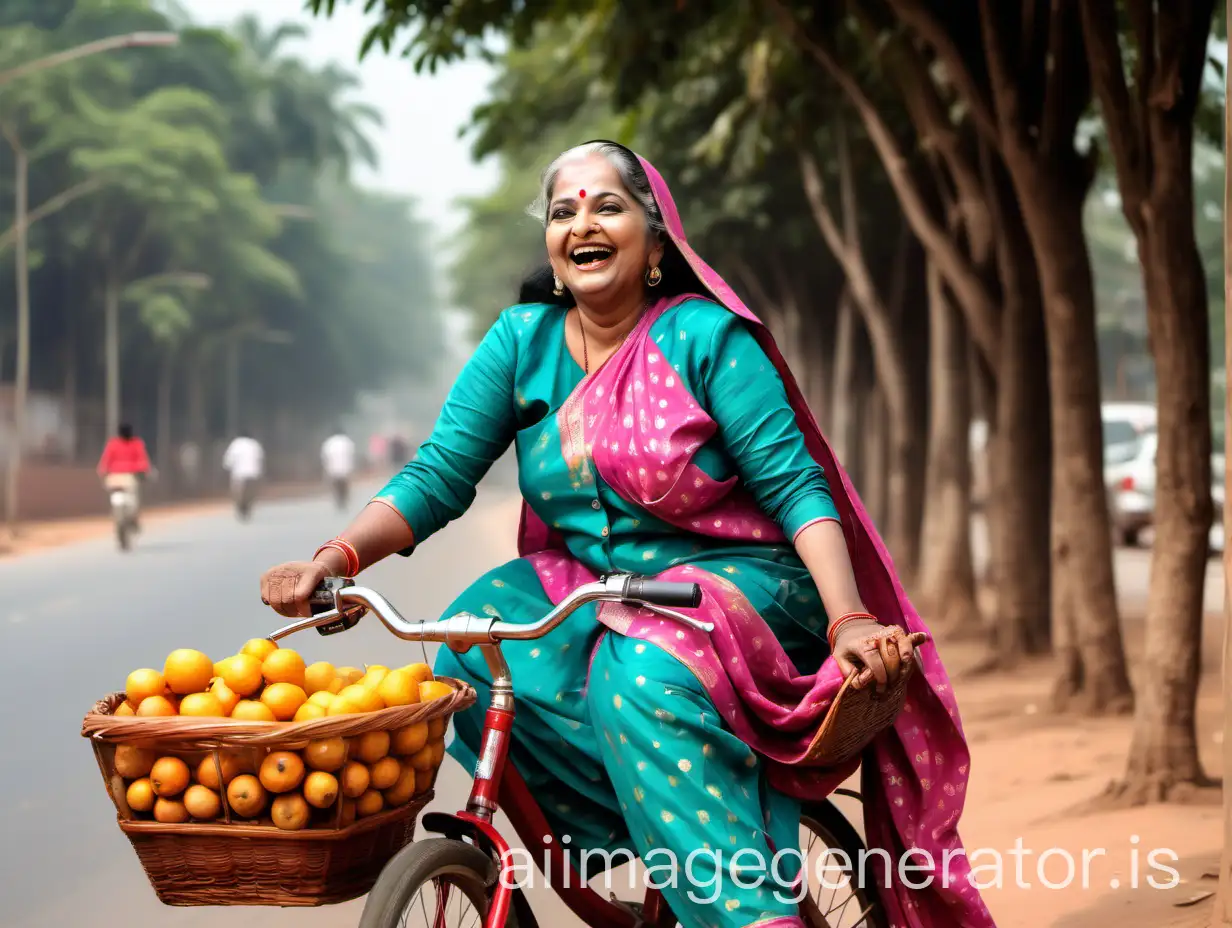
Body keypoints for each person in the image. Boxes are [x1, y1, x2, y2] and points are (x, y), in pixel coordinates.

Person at [261, 142, 994, 928]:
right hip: (591, 583)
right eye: (563, 211)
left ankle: (746, 909)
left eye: (607, 205)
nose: (583, 223)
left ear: (655, 238)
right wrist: (337, 558)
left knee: (641, 673)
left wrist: (846, 614)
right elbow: (439, 472)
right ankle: (652, 828)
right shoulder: (520, 342)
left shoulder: (707, 339)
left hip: (736, 581)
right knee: (469, 648)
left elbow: (794, 487)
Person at [97, 423, 151, 528]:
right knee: (134, 499)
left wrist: (103, 472)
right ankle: (133, 519)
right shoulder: (136, 443)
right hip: (129, 477)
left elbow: (105, 460)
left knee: (121, 496)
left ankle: (120, 516)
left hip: (114, 477)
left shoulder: (113, 444)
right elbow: (143, 459)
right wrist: (144, 471)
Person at [222, 430, 264, 521]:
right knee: (251, 494)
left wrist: (227, 468)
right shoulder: (255, 444)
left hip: (239, 474)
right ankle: (247, 508)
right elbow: (260, 459)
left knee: (237, 494)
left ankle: (241, 508)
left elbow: (228, 460)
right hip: (253, 473)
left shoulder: (236, 444)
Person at [320, 427, 357, 510]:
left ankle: (338, 500)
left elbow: (325, 456)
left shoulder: (329, 442)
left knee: (335, 486)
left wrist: (326, 468)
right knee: (345, 485)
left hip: (333, 468)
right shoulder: (347, 442)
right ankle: (344, 500)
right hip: (346, 468)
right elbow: (352, 455)